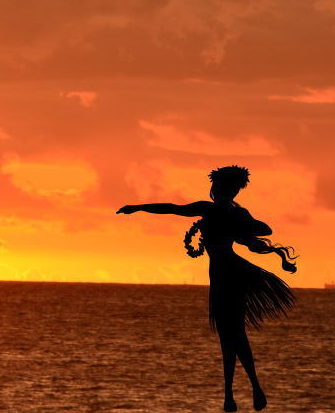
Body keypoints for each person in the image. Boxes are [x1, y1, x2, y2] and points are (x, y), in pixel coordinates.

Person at [117, 165, 297, 412]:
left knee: (230, 334)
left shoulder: (214, 210)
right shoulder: (231, 212)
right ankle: (244, 391)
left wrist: (138, 207)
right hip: (231, 272)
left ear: (218, 187)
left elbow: (172, 209)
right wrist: (241, 221)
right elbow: (261, 232)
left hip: (226, 274)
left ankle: (234, 394)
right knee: (234, 334)